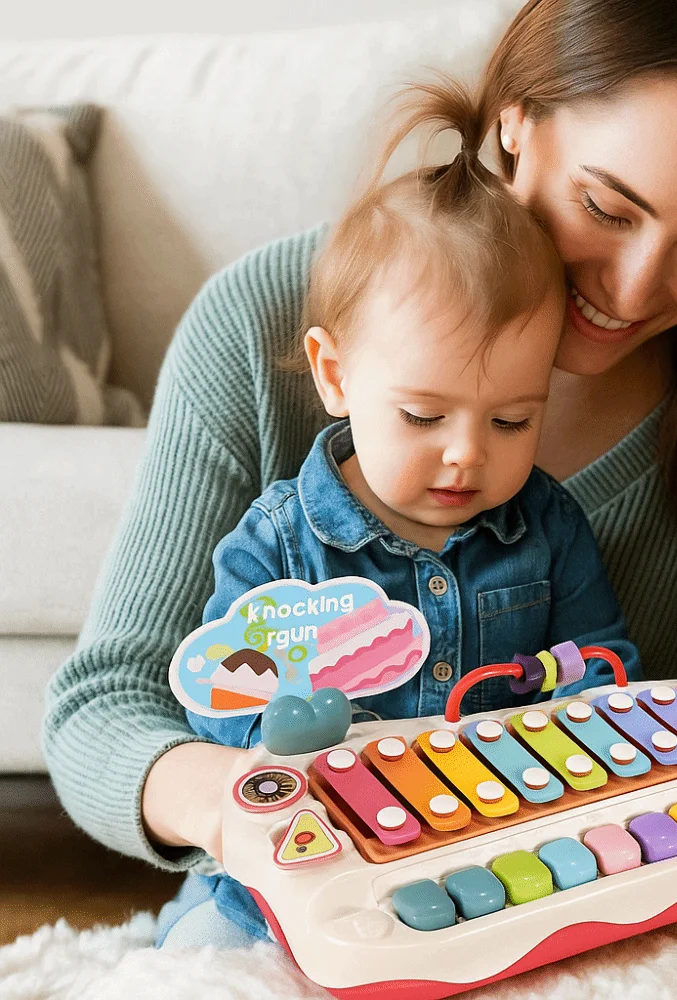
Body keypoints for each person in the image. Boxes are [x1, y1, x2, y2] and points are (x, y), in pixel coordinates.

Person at [44, 0, 677, 950]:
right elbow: (106, 705)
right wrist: (240, 809)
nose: (628, 289)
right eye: (607, 207)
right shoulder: (261, 325)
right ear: (514, 121)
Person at [165, 78, 641, 944]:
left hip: (493, 848)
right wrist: (275, 726)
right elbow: (216, 701)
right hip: (304, 864)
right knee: (204, 954)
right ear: (337, 375)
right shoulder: (275, 543)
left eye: (512, 419)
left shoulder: (550, 529)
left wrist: (553, 690)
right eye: (423, 417)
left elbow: (608, 663)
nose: (467, 453)